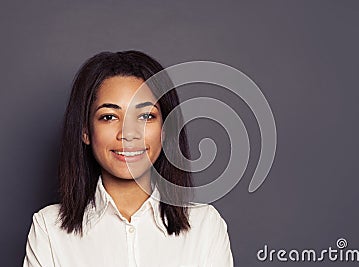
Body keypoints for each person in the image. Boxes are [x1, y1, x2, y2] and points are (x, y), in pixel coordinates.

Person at [23, 51, 234, 267]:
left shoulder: (205, 226)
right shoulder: (49, 229)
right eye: (109, 117)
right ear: (85, 131)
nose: (128, 132)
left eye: (145, 116)